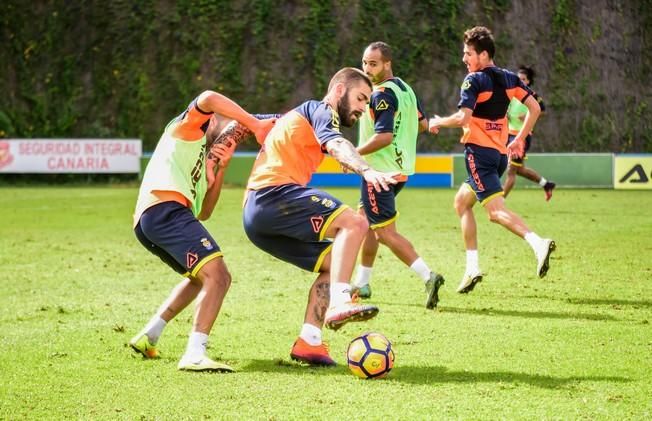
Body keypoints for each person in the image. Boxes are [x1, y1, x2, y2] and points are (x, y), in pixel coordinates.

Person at [242, 67, 399, 366]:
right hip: (272, 194)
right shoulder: (322, 110)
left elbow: (253, 121)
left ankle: (309, 341)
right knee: (355, 222)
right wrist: (365, 169)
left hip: (257, 219)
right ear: (340, 90)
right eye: (361, 99)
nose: (364, 109)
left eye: (367, 103)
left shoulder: (303, 116)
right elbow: (337, 143)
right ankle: (341, 299)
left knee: (333, 263)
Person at [129, 90, 275, 372]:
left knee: (200, 278)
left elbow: (204, 212)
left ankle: (149, 335)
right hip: (164, 209)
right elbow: (207, 97)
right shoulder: (187, 129)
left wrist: (220, 168)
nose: (230, 130)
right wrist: (253, 123)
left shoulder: (200, 158)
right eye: (225, 121)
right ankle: (194, 354)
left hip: (152, 219)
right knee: (219, 276)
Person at [428, 26, 556, 294]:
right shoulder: (509, 78)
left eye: (468, 54)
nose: (465, 59)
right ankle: (472, 267)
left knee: (495, 212)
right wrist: (519, 138)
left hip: (479, 155)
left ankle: (537, 242)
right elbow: (534, 107)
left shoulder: (474, 80)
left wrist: (439, 121)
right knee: (462, 202)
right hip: (498, 156)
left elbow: (463, 117)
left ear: (484, 55)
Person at [351, 41, 445, 309]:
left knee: (384, 232)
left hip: (379, 173)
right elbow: (423, 123)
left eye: (373, 63)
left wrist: (353, 155)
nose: (367, 68)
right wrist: (431, 126)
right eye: (365, 62)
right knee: (364, 223)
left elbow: (383, 136)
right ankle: (362, 281)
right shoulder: (404, 88)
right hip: (400, 171)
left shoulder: (381, 95)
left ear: (387, 64)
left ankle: (429, 276)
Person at [504, 65, 556, 200]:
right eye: (518, 78)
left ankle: (500, 201)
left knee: (511, 171)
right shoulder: (513, 93)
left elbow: (542, 110)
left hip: (521, 137)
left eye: (523, 79)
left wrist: (528, 115)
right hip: (509, 134)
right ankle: (546, 184)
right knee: (519, 169)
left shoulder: (532, 95)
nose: (520, 80)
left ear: (528, 81)